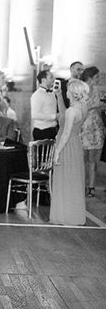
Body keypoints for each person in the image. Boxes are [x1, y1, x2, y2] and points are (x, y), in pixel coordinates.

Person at [50, 79, 89, 225]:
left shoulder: (72, 111)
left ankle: (64, 216)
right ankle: (72, 215)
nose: (65, 91)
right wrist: (58, 95)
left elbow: (65, 132)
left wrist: (57, 151)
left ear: (72, 93)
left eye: (66, 90)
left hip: (66, 146)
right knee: (73, 180)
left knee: (65, 180)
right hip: (75, 146)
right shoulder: (82, 107)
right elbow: (63, 117)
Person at [79, 67, 104, 197]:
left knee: (93, 158)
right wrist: (95, 105)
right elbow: (80, 107)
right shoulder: (81, 89)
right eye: (96, 77)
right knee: (82, 158)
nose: (99, 79)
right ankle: (81, 185)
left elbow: (96, 107)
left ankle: (91, 186)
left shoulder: (96, 90)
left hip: (95, 126)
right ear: (89, 77)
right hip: (83, 125)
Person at [31, 70, 65, 140]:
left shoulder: (52, 93)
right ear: (44, 80)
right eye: (51, 77)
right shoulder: (37, 95)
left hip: (54, 130)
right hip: (42, 131)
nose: (54, 79)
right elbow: (35, 115)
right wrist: (54, 116)